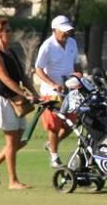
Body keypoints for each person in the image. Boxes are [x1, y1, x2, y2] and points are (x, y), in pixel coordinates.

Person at [0, 19, 34, 190]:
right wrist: (23, 93)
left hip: (16, 99)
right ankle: (13, 181)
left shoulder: (11, 53)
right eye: (8, 31)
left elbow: (23, 77)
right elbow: (4, 78)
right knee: (12, 141)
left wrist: (34, 93)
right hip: (3, 99)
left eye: (11, 30)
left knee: (22, 140)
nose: (11, 33)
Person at [34, 15, 80, 168]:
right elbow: (38, 69)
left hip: (70, 90)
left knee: (72, 123)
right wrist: (52, 84)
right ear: (55, 30)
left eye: (68, 31)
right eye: (64, 31)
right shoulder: (47, 46)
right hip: (51, 92)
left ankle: (52, 145)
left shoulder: (72, 42)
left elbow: (76, 64)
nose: (67, 34)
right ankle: (54, 157)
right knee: (54, 126)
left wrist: (79, 77)